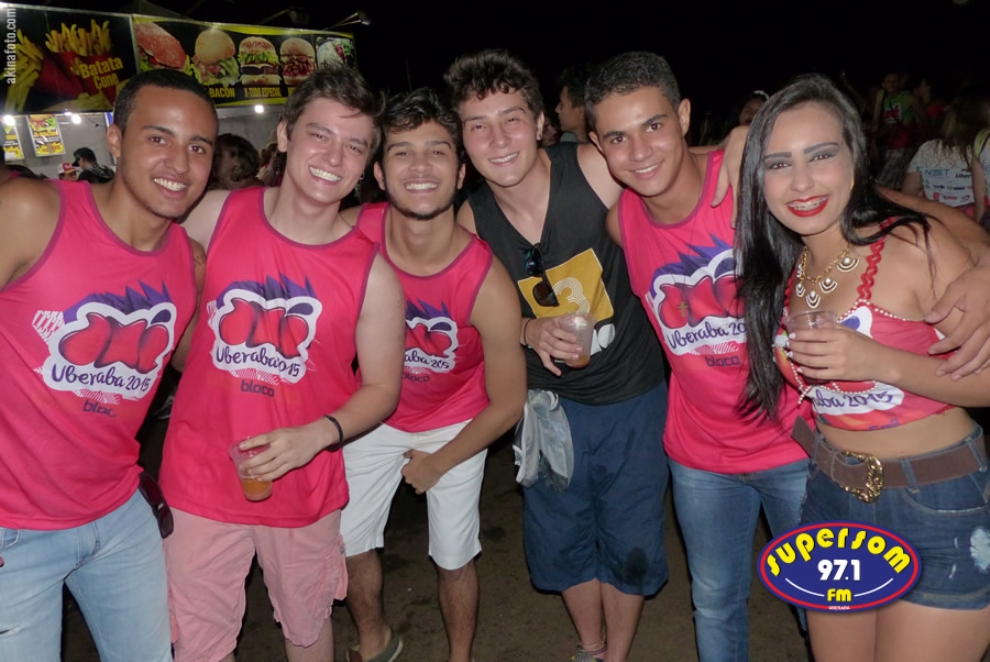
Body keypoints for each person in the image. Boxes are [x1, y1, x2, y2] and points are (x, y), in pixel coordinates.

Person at [737, 73, 990, 662]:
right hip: (832, 497)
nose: (801, 181)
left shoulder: (913, 246)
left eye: (821, 155)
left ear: (855, 159)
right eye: (779, 164)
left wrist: (880, 361)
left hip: (936, 500)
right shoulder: (787, 268)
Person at [159, 66, 405, 662]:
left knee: (307, 625)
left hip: (303, 483)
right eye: (320, 134)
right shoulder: (213, 214)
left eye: (354, 146)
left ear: (367, 165)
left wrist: (317, 435)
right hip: (198, 475)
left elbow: (382, 388)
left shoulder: (372, 274)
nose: (334, 157)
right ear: (287, 135)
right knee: (195, 644)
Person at [447, 49, 671, 662]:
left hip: (633, 395)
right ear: (463, 140)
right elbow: (474, 317)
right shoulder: (472, 222)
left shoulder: (594, 170)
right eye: (478, 125)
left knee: (631, 534)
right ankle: (590, 647)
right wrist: (526, 330)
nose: (498, 140)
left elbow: (674, 171)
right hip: (547, 408)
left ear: (542, 121)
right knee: (561, 536)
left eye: (512, 119)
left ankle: (616, 655)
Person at [584, 51, 809, 662]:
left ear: (683, 116)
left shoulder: (750, 186)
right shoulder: (623, 222)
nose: (639, 151)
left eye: (654, 125)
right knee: (713, 602)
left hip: (796, 446)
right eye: (618, 137)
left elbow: (867, 206)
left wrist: (976, 259)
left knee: (818, 605)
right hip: (700, 458)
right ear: (599, 146)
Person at [0, 68, 216, 661]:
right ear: (115, 140)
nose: (179, 163)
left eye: (198, 147)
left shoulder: (189, 262)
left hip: (119, 515)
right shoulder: (30, 212)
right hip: (12, 530)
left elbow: (198, 364)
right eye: (158, 138)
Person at [339, 88, 526, 662]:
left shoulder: (486, 281)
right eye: (402, 152)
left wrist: (439, 462)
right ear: (378, 172)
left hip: (455, 420)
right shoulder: (349, 234)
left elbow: (509, 402)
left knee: (454, 556)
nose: (420, 166)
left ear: (461, 171)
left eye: (437, 151)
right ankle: (374, 639)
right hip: (369, 411)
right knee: (346, 541)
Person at [903, 96, 982, 216]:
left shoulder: (928, 148)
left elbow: (908, 193)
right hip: (972, 221)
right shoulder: (983, 149)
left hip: (934, 219)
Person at [872, 71, 925, 189]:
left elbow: (924, 119)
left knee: (882, 181)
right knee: (898, 182)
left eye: (894, 81)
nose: (891, 84)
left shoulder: (908, 98)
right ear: (883, 84)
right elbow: (886, 124)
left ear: (900, 83)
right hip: (892, 143)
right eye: (888, 82)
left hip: (905, 143)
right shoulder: (886, 100)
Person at [556, 64, 593, 143]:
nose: (556, 110)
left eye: (562, 105)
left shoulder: (606, 147)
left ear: (580, 111)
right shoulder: (567, 142)